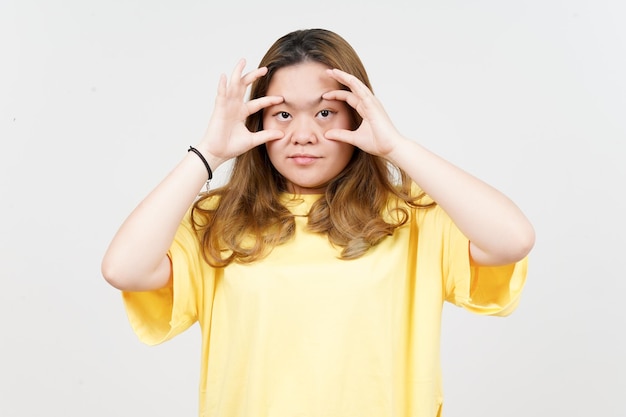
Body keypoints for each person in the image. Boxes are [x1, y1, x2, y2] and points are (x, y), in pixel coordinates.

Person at [101, 28, 535, 417]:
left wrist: (396, 146)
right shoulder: (218, 222)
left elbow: (513, 239)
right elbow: (124, 269)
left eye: (324, 113)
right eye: (284, 115)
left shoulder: (413, 216)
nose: (302, 134)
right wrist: (209, 153)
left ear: (357, 115)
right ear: (259, 121)